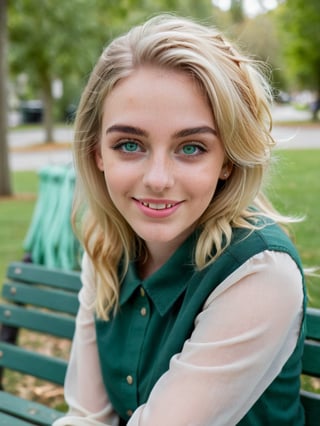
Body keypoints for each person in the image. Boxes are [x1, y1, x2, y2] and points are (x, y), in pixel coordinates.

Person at [53, 14, 306, 426]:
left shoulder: (261, 273)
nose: (157, 180)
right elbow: (87, 415)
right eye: (129, 144)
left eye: (191, 148)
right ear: (97, 152)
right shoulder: (106, 244)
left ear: (227, 159)